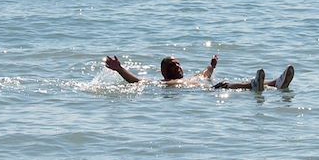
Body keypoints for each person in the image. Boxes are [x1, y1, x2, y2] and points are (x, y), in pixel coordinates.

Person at [104, 54, 294, 91]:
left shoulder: (194, 77)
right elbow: (136, 82)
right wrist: (120, 69)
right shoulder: (163, 84)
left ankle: (275, 83)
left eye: (178, 64)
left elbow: (206, 74)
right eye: (172, 66)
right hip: (207, 93)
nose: (177, 67)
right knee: (225, 85)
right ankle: (255, 86)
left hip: (206, 88)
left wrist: (211, 66)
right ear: (164, 72)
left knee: (225, 84)